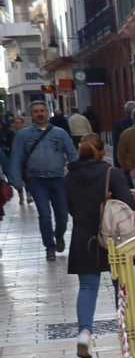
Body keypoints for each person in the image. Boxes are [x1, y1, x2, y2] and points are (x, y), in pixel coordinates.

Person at [65, 135, 135, 358]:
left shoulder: (70, 176)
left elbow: (71, 209)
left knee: (87, 286)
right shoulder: (112, 173)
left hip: (84, 238)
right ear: (102, 152)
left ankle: (84, 333)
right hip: (114, 239)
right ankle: (126, 334)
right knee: (120, 284)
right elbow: (129, 206)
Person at [8, 101, 77, 259]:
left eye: (42, 111)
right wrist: (16, 179)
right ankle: (49, 247)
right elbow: (16, 157)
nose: (39, 114)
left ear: (48, 113)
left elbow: (73, 155)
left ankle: (59, 235)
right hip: (36, 180)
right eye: (36, 111)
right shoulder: (24, 135)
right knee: (44, 214)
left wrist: (77, 176)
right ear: (31, 115)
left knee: (63, 214)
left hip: (58, 178)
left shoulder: (60, 133)